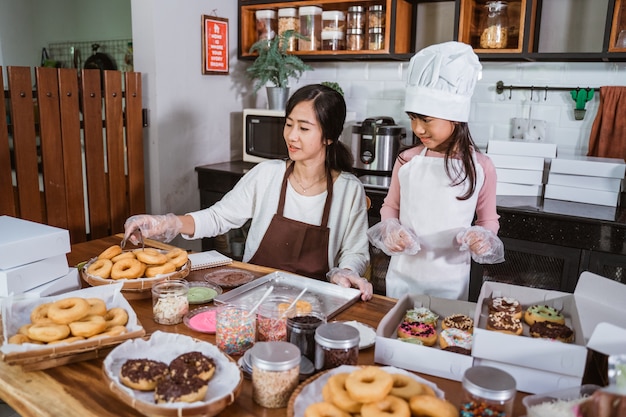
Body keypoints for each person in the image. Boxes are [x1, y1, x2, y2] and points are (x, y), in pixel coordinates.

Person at [124, 84, 373, 301]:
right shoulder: (267, 174)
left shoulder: (349, 190)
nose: (291, 136)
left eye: (304, 129)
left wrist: (347, 271)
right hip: (255, 293)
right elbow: (218, 217)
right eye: (288, 124)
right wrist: (166, 223)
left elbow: (356, 251)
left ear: (329, 137)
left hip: (314, 302)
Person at [367, 41, 504, 301]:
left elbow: (488, 221)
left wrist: (483, 238)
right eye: (413, 118)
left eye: (426, 119)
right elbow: (390, 207)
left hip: (450, 284)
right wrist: (391, 228)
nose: (418, 128)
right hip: (403, 278)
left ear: (455, 117)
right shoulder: (406, 160)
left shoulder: (481, 167)